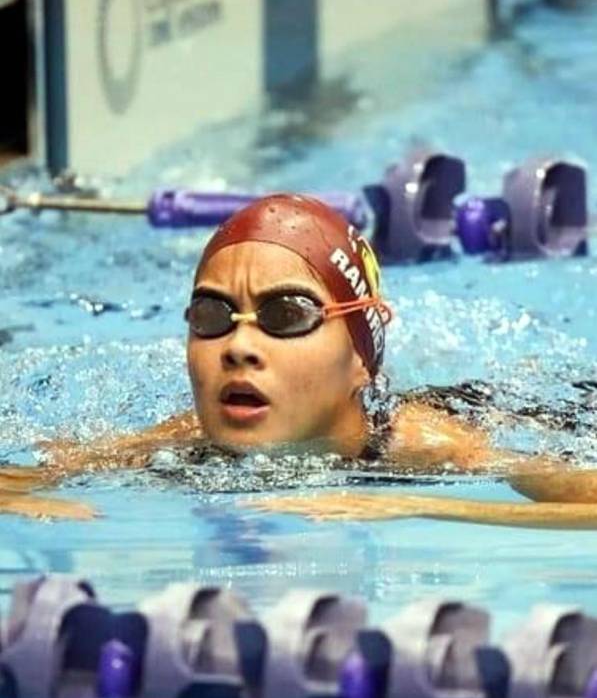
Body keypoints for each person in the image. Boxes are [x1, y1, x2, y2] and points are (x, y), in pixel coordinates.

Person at [2, 193, 597, 526]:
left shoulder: (430, 444)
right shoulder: (177, 444)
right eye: (212, 315)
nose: (237, 346)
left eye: (287, 315)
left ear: (361, 360)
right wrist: (33, 503)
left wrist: (412, 504)